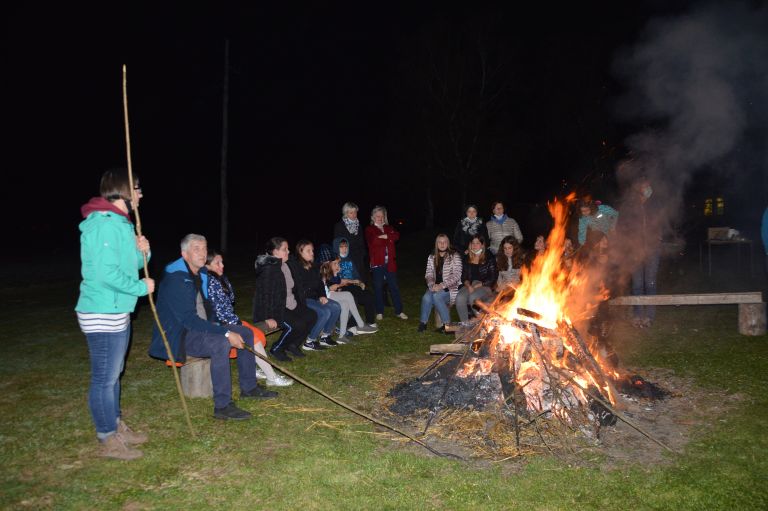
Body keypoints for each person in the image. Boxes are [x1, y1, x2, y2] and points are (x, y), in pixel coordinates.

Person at [149, 234, 277, 422]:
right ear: (184, 254)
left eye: (204, 248)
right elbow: (189, 320)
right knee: (220, 343)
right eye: (196, 249)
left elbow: (208, 311)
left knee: (246, 332)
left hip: (199, 328)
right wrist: (225, 332)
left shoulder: (200, 274)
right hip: (179, 335)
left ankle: (249, 388)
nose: (202, 253)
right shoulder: (176, 279)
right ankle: (223, 405)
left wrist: (226, 325)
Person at [76, 169, 153, 460]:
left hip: (117, 309)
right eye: (137, 188)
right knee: (104, 378)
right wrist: (139, 287)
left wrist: (143, 252)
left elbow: (132, 263)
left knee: (114, 373)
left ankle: (116, 424)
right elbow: (104, 273)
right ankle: (107, 436)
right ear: (122, 190)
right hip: (101, 309)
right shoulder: (103, 225)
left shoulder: (121, 224)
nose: (140, 194)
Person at [205, 251, 293, 386]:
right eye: (217, 263)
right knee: (252, 336)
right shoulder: (210, 282)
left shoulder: (220, 278)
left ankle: (255, 368)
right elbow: (219, 312)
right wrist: (238, 323)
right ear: (206, 266)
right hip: (218, 325)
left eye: (222, 262)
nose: (222, 265)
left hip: (229, 320)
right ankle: (271, 377)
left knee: (254, 334)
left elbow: (231, 300)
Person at [252, 237, 318, 361]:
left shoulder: (285, 265)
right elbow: (264, 295)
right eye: (284, 249)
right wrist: (267, 317)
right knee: (297, 325)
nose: (288, 251)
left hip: (290, 304)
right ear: (275, 252)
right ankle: (277, 348)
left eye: (288, 249)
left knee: (311, 316)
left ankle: (292, 345)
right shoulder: (269, 269)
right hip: (276, 308)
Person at [617, 176, 663, 328]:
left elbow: (660, 223)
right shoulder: (630, 206)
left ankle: (649, 316)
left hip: (652, 248)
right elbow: (622, 226)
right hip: (635, 249)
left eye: (649, 186)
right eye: (645, 186)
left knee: (650, 283)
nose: (648, 188)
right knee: (637, 284)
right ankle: (637, 315)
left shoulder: (654, 204)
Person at [318, 246, 379, 342]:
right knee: (348, 295)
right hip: (325, 297)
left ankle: (342, 336)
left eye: (338, 263)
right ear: (327, 263)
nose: (338, 265)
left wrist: (353, 280)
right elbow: (327, 287)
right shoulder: (322, 272)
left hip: (329, 295)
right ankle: (361, 325)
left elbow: (339, 281)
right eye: (335, 263)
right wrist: (333, 287)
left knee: (345, 304)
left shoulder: (331, 273)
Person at [292, 240, 342, 349]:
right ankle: (310, 341)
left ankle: (325, 336)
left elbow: (320, 284)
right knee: (325, 312)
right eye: (308, 251)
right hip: (302, 299)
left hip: (314, 297)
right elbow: (297, 289)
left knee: (336, 307)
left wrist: (322, 295)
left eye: (312, 250)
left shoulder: (314, 266)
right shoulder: (295, 267)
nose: (312, 253)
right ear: (300, 252)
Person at [364, 206, 407, 320]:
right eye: (377, 216)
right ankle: (379, 311)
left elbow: (396, 236)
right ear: (373, 217)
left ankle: (399, 311)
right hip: (377, 263)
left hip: (390, 263)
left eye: (382, 216)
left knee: (394, 287)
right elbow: (374, 241)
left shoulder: (389, 227)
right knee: (378, 287)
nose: (380, 218)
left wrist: (386, 236)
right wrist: (388, 239)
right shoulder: (369, 229)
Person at [418, 234, 463, 332]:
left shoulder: (454, 256)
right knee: (426, 297)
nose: (442, 244)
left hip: (451, 287)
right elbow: (428, 273)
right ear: (436, 244)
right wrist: (431, 285)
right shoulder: (432, 256)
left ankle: (447, 325)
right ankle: (423, 322)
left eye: (444, 242)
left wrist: (442, 285)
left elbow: (457, 275)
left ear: (448, 243)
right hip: (435, 286)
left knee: (436, 297)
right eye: (440, 242)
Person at [332, 236, 378, 328]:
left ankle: (370, 321)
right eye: (341, 247)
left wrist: (360, 282)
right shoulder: (334, 261)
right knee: (353, 299)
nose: (344, 249)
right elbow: (335, 278)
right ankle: (351, 326)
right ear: (336, 247)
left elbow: (356, 275)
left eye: (346, 247)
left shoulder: (350, 260)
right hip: (342, 287)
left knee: (368, 295)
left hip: (353, 285)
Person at [455, 234, 498, 322]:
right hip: (470, 285)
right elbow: (463, 276)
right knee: (459, 297)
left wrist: (476, 286)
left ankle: (481, 323)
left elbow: (493, 277)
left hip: (485, 286)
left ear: (482, 245)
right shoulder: (467, 258)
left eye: (477, 243)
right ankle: (465, 324)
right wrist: (469, 286)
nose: (474, 245)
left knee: (473, 298)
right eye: (473, 243)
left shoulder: (489, 258)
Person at [333, 202, 369, 285]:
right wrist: (339, 259)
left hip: (358, 258)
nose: (354, 215)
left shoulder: (359, 226)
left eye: (355, 212)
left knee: (360, 281)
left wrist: (363, 255)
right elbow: (337, 244)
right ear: (346, 213)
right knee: (348, 283)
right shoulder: (339, 226)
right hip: (346, 259)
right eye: (351, 212)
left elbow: (362, 242)